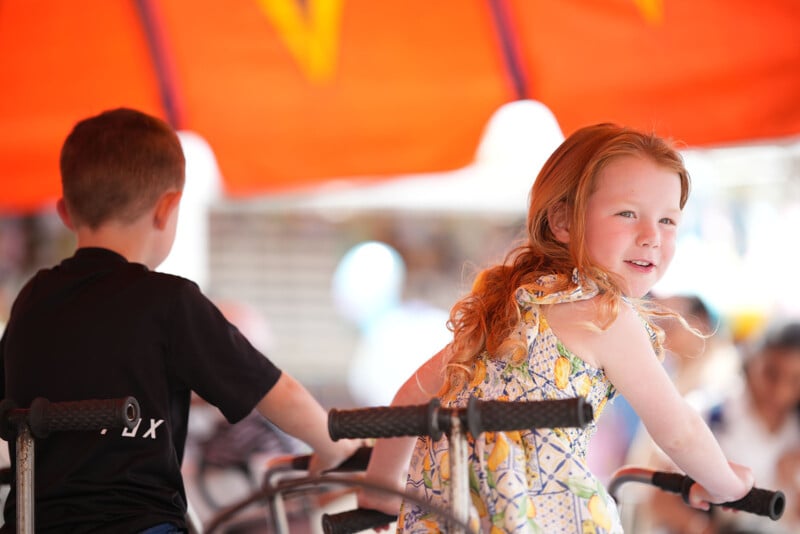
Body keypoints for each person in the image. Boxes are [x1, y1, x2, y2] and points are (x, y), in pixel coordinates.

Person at [358, 123, 754, 533]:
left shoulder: (508, 308)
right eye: (627, 213)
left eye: (668, 220)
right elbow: (679, 432)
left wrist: (382, 489)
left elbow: (412, 397)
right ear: (563, 221)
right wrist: (725, 483)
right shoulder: (605, 315)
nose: (652, 236)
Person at [0, 108, 360, 533]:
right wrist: (337, 447)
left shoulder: (32, 300)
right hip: (140, 524)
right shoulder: (170, 301)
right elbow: (275, 390)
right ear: (168, 208)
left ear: (64, 211)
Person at [644, 320, 800, 533]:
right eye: (771, 373)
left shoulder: (794, 430)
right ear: (753, 359)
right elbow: (659, 499)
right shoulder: (708, 412)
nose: (781, 391)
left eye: (795, 380)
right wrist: (703, 528)